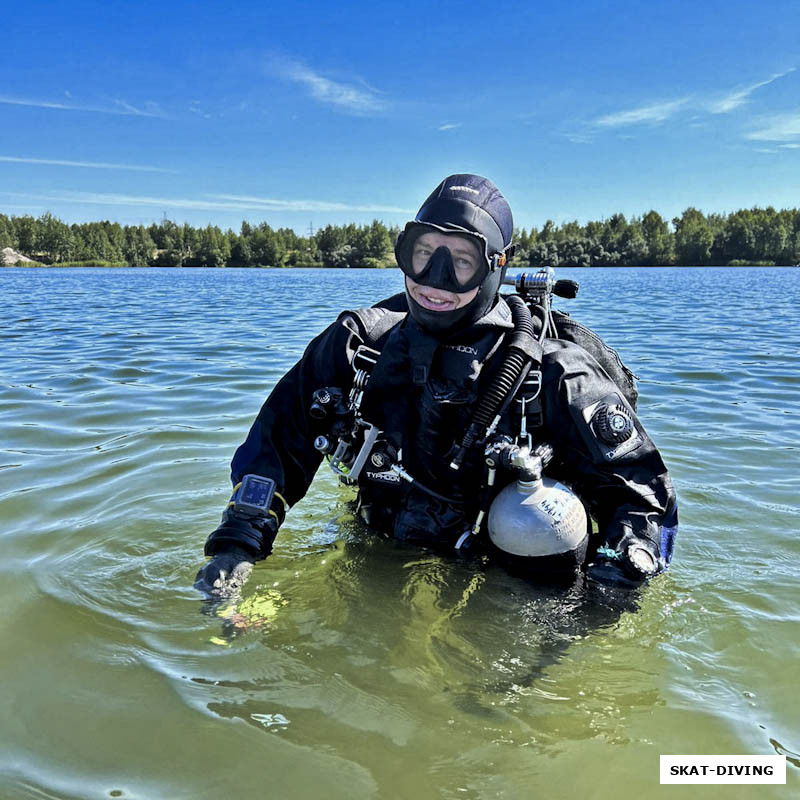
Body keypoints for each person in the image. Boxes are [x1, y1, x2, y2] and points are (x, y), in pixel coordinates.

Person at [195, 174, 678, 598]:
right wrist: (236, 545)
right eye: (424, 255)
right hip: (379, 542)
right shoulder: (357, 347)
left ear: (496, 267)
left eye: (462, 263)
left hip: (507, 568)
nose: (435, 281)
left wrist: (606, 596)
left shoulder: (552, 372)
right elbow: (278, 445)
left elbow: (642, 499)